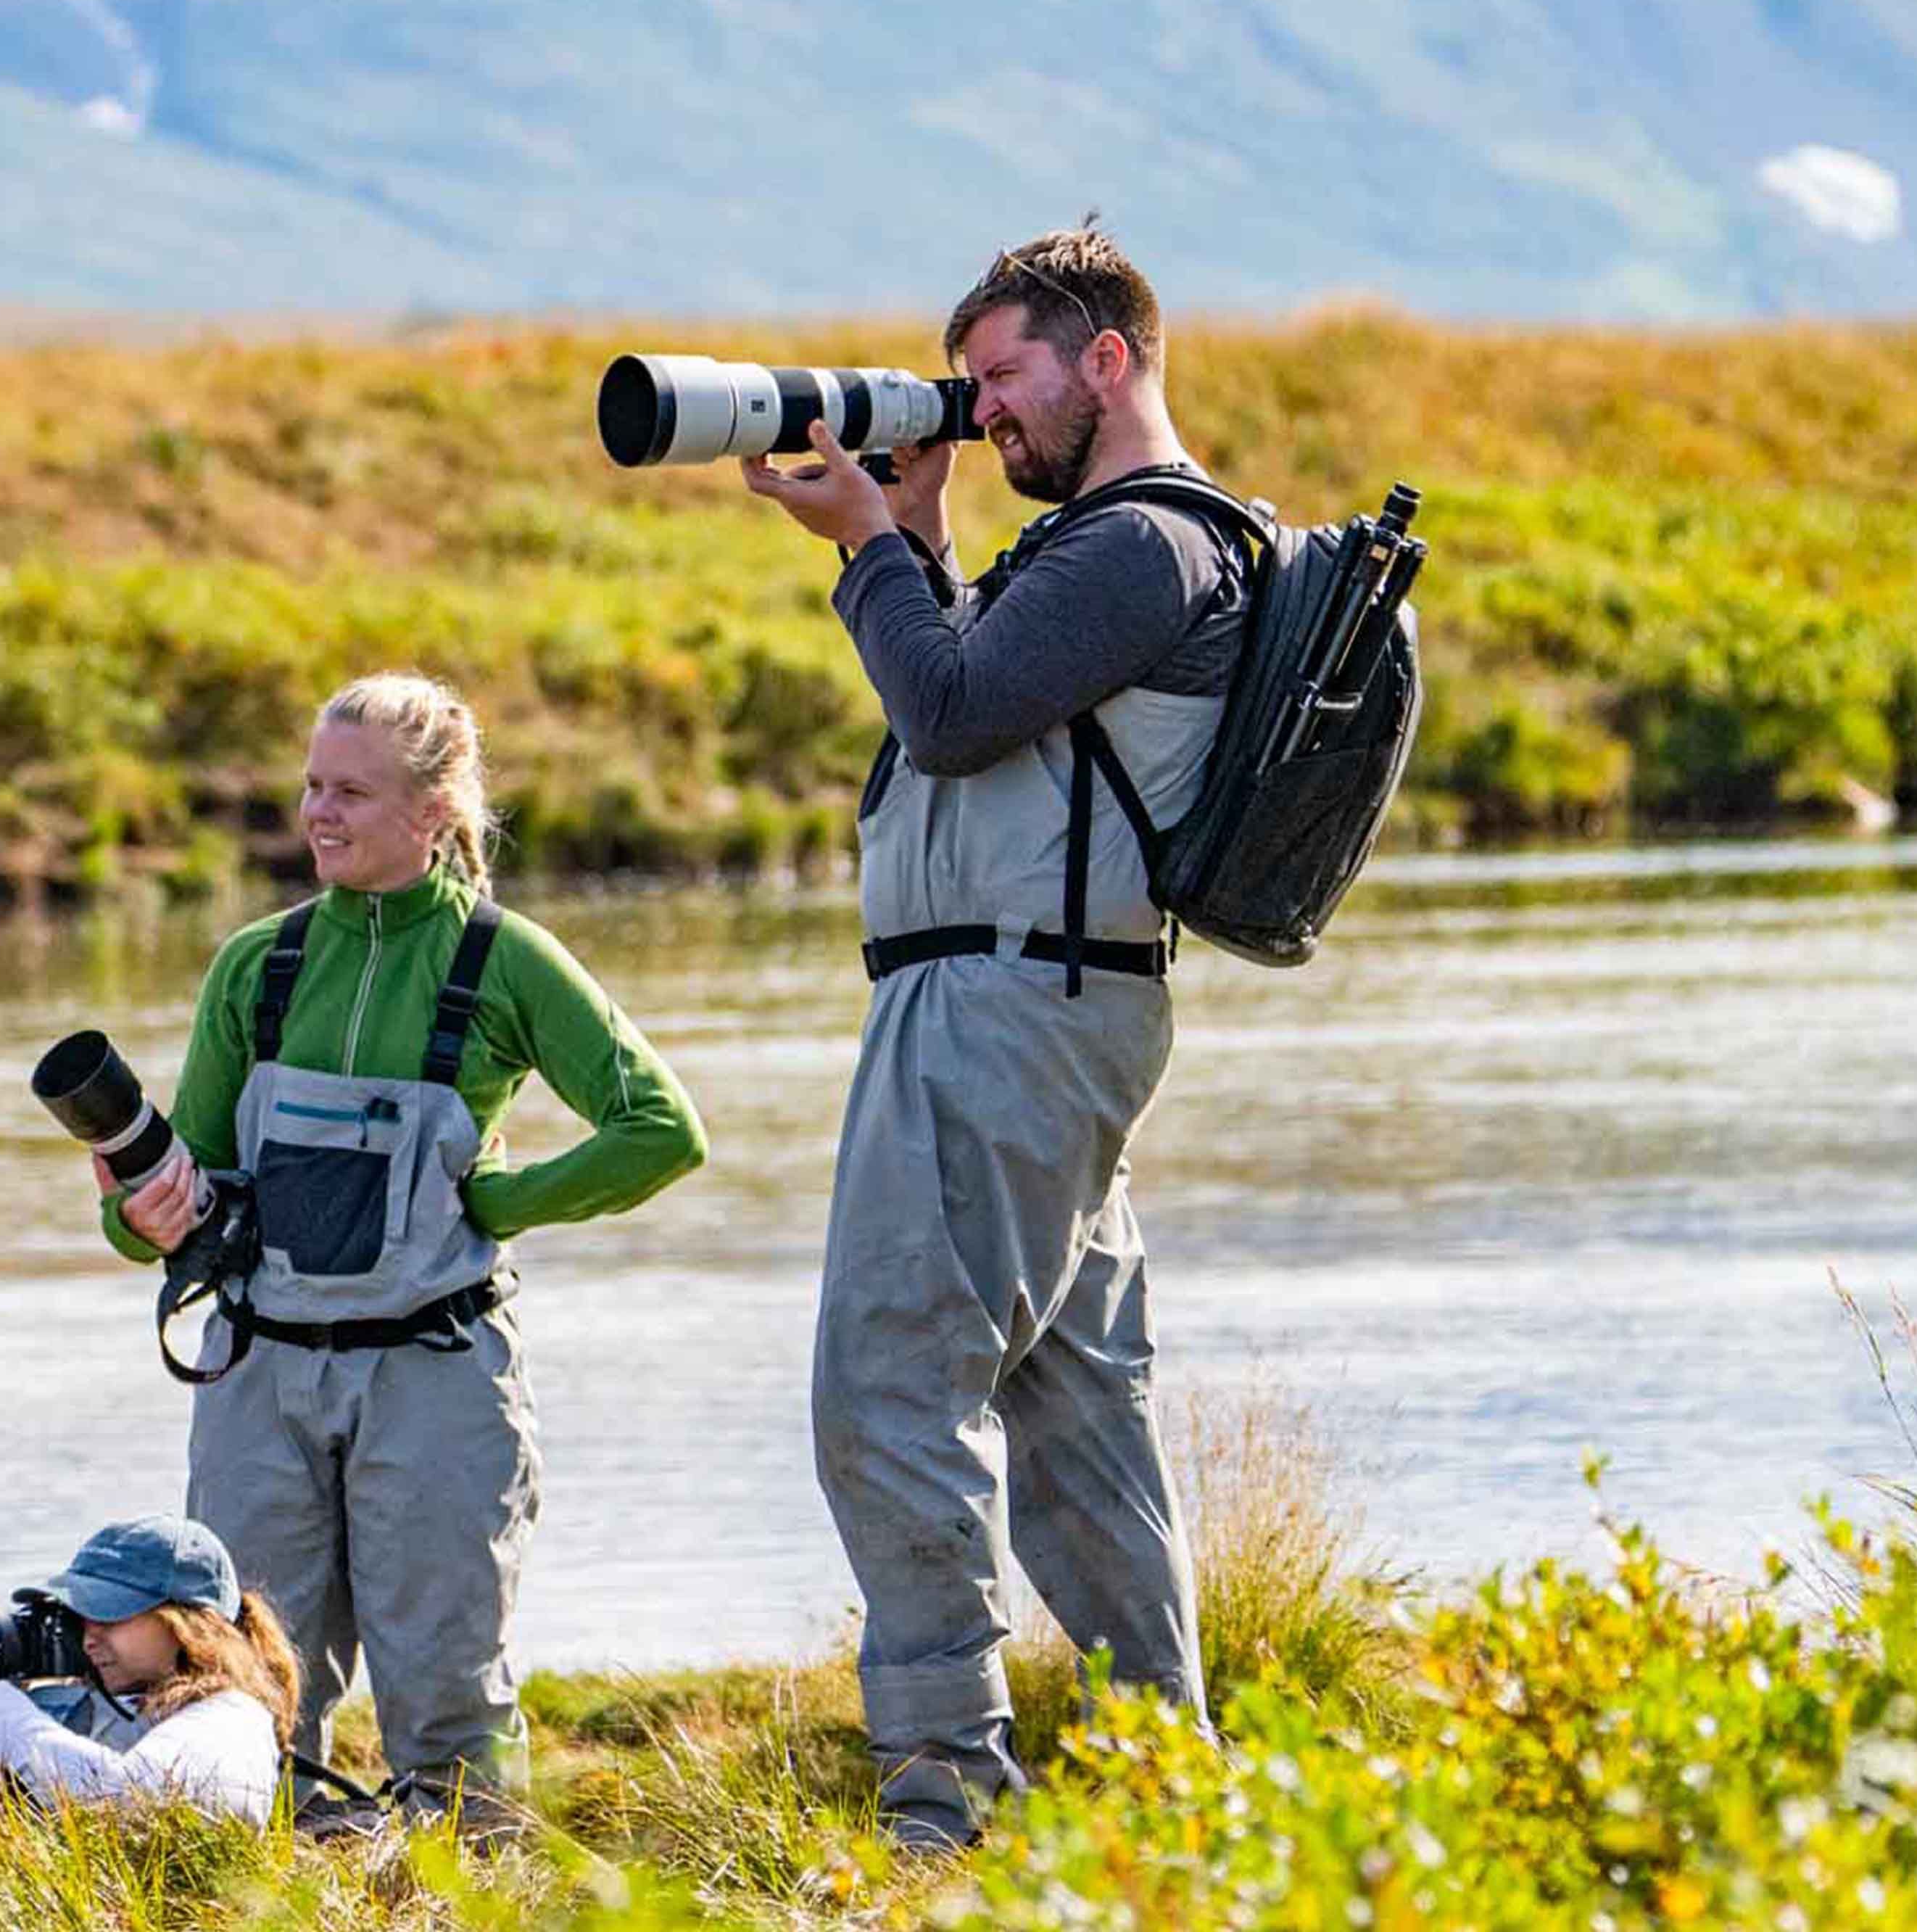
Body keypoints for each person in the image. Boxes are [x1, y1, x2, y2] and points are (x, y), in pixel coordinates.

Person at [739, 223, 1229, 1849]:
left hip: (1000, 1009)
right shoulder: (1127, 552)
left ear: (1108, 361)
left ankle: (943, 1786)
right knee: (1075, 1409)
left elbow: (941, 719)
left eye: (1003, 377)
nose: (981, 410)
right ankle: (1171, 1778)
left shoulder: (1132, 545)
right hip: (1045, 1003)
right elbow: (992, 710)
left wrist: (868, 548)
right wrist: (924, 541)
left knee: (884, 1387)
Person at [100, 672, 706, 1829]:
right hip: (256, 1379)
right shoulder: (258, 967)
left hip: (437, 1377)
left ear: (434, 814)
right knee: (242, 1690)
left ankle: (472, 1883)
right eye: (313, 785)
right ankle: (261, 1890)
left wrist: (503, 1201)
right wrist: (143, 1218)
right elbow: (173, 1199)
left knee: (446, 1694)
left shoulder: (506, 962)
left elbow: (662, 1131)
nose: (319, 813)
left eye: (354, 793)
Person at [0, 1513, 297, 1825]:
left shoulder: (232, 1719)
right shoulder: (79, 1707)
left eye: (110, 1614)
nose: (90, 1637)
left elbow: (133, 1801)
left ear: (189, 1625)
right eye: (79, 1617)